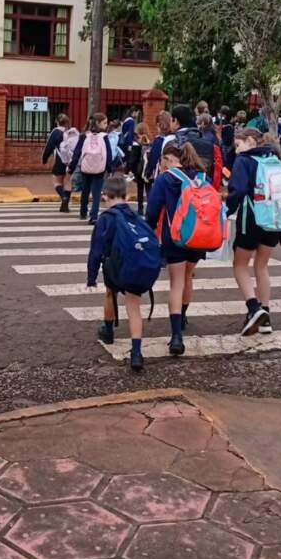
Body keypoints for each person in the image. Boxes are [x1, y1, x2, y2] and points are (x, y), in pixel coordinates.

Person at [146, 141, 208, 354]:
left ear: (168, 159)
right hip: (199, 236)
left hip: (175, 237)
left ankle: (176, 337)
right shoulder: (201, 177)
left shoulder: (165, 180)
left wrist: (150, 230)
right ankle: (182, 317)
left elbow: (153, 211)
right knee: (189, 277)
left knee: (176, 282)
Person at [226, 127, 281, 336]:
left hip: (251, 219)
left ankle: (253, 308)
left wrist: (227, 209)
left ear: (251, 141)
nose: (236, 150)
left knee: (240, 264)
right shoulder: (275, 159)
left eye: (238, 144)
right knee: (262, 266)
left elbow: (238, 190)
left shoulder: (244, 160)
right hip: (275, 220)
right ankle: (266, 315)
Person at [87, 176, 150, 372]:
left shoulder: (105, 219)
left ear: (105, 196)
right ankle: (137, 352)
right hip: (133, 266)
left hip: (113, 268)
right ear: (126, 195)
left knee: (109, 293)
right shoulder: (135, 216)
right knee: (134, 306)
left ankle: (108, 330)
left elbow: (96, 251)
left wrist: (91, 276)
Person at [69, 113, 112, 224]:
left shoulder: (84, 136)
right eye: (105, 123)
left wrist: (72, 166)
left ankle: (83, 212)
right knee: (96, 193)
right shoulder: (104, 136)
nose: (106, 125)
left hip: (86, 168)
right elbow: (108, 153)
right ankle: (93, 216)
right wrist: (109, 168)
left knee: (85, 190)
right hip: (99, 169)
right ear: (98, 123)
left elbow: (77, 152)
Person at [41, 113, 76, 212]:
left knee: (57, 181)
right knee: (68, 182)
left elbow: (49, 147)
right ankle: (65, 207)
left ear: (57, 122)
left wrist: (44, 159)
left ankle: (63, 197)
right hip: (71, 161)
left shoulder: (56, 132)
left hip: (60, 160)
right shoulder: (71, 131)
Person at [171, 103, 216, 181]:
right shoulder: (207, 141)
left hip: (178, 185)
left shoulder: (172, 139)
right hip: (201, 186)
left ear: (175, 120)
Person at [126, 122, 152, 215]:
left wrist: (130, 170)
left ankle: (140, 209)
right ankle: (150, 208)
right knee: (149, 189)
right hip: (148, 169)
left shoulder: (136, 143)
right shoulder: (150, 142)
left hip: (139, 169)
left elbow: (133, 159)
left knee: (140, 190)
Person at [145, 110, 173, 183]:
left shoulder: (159, 140)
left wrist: (148, 172)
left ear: (158, 125)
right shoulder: (176, 137)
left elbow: (153, 159)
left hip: (160, 175)